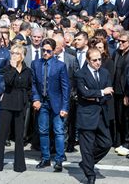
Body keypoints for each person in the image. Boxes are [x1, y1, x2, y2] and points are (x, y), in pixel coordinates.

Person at [75, 48, 113, 184]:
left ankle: (86, 163)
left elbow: (110, 92)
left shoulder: (105, 72)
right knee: (87, 147)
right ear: (88, 60)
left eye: (99, 59)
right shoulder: (81, 74)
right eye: (94, 60)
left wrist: (95, 95)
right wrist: (101, 93)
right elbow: (84, 93)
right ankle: (90, 175)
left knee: (106, 143)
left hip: (102, 114)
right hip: (86, 115)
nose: (98, 62)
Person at [31, 38, 70, 172]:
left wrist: (65, 107)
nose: (45, 53)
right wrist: (35, 98)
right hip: (42, 103)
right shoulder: (35, 64)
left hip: (57, 103)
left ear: (53, 51)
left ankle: (59, 159)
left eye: (48, 51)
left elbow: (65, 88)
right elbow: (33, 83)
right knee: (43, 130)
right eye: (43, 50)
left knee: (58, 131)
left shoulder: (60, 65)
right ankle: (45, 158)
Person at [0, 44, 32, 172]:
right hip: (8, 103)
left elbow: (28, 87)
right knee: (2, 134)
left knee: (19, 136)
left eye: (17, 53)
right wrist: (14, 68)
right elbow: (9, 81)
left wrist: (27, 100)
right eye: (13, 53)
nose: (14, 55)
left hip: (20, 105)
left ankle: (19, 165)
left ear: (23, 56)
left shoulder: (27, 70)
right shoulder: (8, 68)